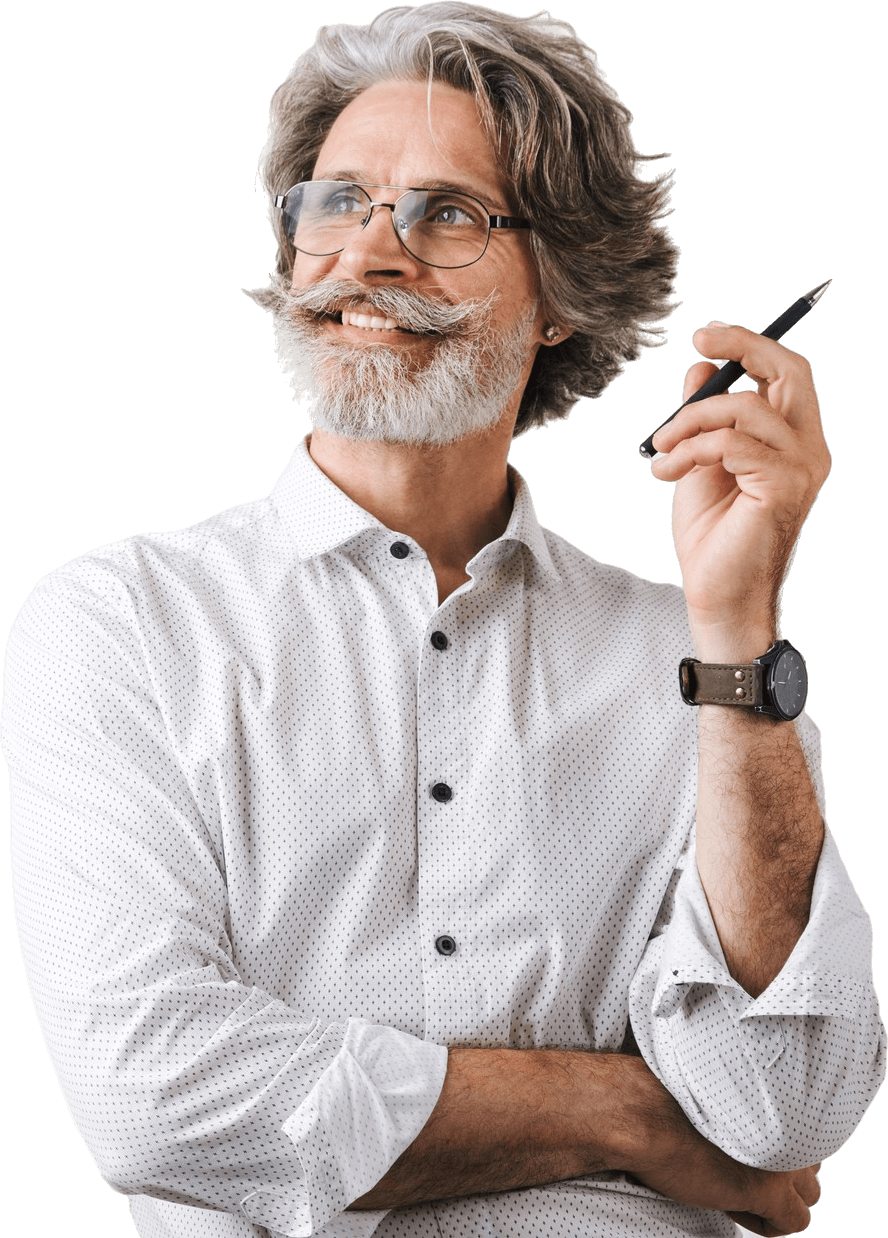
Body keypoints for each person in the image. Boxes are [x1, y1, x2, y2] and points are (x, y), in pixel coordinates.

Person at [4, 5, 883, 1237]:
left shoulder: (689, 661)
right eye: (338, 203)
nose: (371, 254)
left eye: (449, 213)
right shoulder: (122, 625)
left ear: (562, 291)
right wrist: (637, 1118)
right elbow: (153, 1094)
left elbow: (781, 1111)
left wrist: (736, 626)